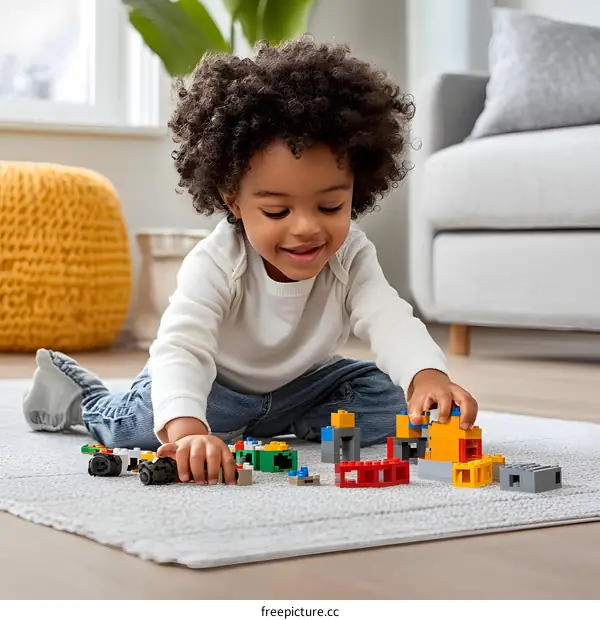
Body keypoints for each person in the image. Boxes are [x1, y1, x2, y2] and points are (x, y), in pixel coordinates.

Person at [22, 36, 478, 485]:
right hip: (216, 387)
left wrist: (426, 375)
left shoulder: (352, 254)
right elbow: (183, 347)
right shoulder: (218, 261)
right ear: (233, 200)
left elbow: (388, 317)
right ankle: (83, 397)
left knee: (391, 397)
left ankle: (271, 425)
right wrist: (188, 431)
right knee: (142, 425)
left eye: (330, 207)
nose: (306, 228)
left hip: (299, 386)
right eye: (277, 211)